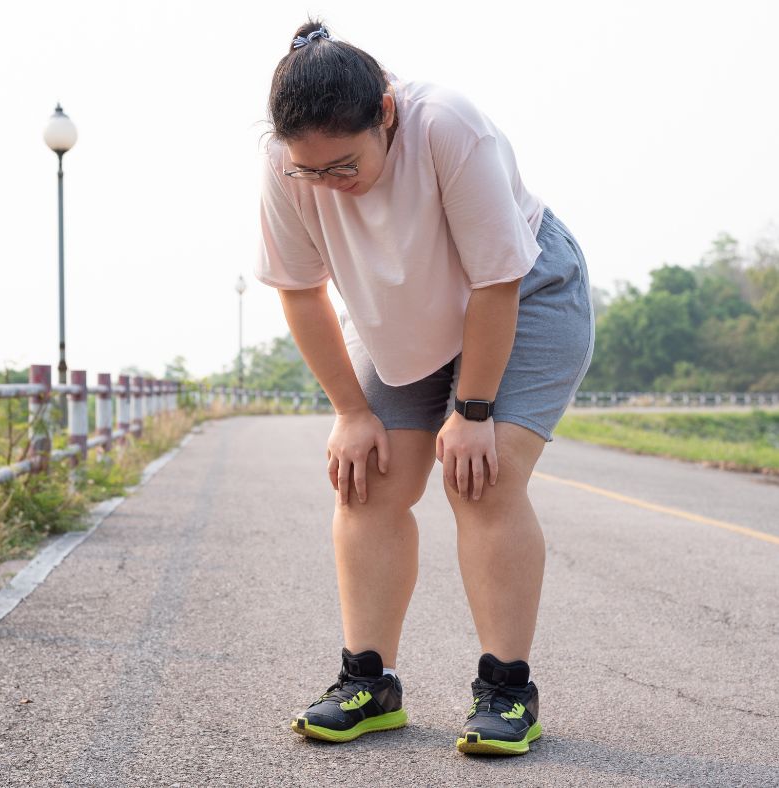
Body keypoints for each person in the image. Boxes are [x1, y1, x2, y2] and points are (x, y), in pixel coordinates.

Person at [254, 20, 595, 756]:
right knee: (364, 481)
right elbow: (301, 292)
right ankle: (368, 684)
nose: (329, 185)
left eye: (343, 166)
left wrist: (472, 412)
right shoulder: (287, 166)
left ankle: (508, 693)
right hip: (406, 318)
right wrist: (350, 412)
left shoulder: (447, 125)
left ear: (385, 112)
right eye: (311, 172)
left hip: (520, 294)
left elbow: (497, 280)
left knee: (483, 478)